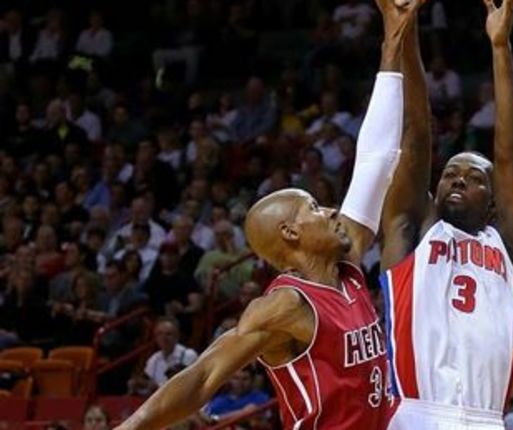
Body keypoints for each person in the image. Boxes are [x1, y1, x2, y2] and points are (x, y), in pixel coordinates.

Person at [115, 1, 419, 427]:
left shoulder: (346, 262)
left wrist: (392, 39)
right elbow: (204, 376)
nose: (331, 209)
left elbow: (376, 161)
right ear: (290, 233)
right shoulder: (284, 306)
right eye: (314, 208)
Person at [379, 0, 513, 428]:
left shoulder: (512, 251)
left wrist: (501, 47)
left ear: (493, 204)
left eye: (474, 177)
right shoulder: (411, 232)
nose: (457, 179)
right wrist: (404, 27)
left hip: (488, 420)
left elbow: (512, 157)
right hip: (417, 413)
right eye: (450, 173)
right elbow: (414, 137)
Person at [202, 367, 270, 422]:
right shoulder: (219, 398)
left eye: (245, 379)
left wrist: (217, 419)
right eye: (236, 378)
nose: (240, 383)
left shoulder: (260, 397)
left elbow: (252, 413)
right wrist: (241, 413)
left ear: (252, 380)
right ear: (229, 380)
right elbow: (206, 417)